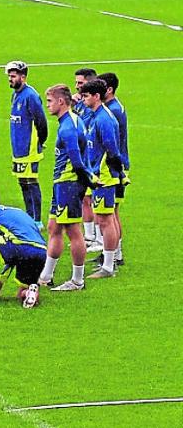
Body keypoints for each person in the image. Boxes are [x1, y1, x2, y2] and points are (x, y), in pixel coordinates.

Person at [39, 85, 94, 292]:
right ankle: (46, 275)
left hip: (68, 184)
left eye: (50, 101)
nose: (48, 106)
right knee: (54, 227)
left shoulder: (68, 127)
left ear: (61, 101)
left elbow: (77, 161)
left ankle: (77, 280)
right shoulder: (70, 120)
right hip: (61, 184)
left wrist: (86, 182)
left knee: (73, 231)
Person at [78, 79, 123, 280]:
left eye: (86, 96)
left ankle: (108, 266)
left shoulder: (104, 119)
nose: (84, 98)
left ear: (96, 96)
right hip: (99, 174)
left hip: (104, 176)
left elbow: (112, 150)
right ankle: (110, 260)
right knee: (107, 218)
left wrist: (113, 174)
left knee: (106, 220)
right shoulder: (96, 116)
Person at [5, 62, 48, 227]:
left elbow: (41, 122)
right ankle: (30, 216)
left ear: (23, 77)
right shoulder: (15, 94)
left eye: (13, 76)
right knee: (22, 183)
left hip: (29, 148)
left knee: (31, 182)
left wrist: (39, 142)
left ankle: (37, 220)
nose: (10, 79)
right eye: (9, 76)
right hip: (18, 148)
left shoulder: (31, 96)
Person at [96, 72, 128, 267]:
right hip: (117, 165)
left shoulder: (111, 112)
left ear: (109, 90)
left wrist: (119, 172)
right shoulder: (113, 108)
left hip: (113, 168)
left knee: (110, 214)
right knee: (112, 213)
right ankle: (115, 254)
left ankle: (114, 256)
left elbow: (112, 147)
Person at [71, 67, 99, 252]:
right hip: (84, 157)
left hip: (93, 160)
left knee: (92, 199)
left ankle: (97, 237)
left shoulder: (93, 107)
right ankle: (90, 236)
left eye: (80, 83)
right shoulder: (82, 103)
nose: (77, 87)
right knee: (85, 198)